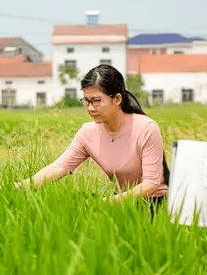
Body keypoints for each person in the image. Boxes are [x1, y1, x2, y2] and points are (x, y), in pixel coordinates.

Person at [14, 64, 169, 207]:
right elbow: (60, 167)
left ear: (117, 99)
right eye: (86, 101)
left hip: (153, 203)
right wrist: (21, 187)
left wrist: (105, 204)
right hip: (118, 201)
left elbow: (151, 184)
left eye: (96, 101)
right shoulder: (88, 132)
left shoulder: (147, 128)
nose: (90, 108)